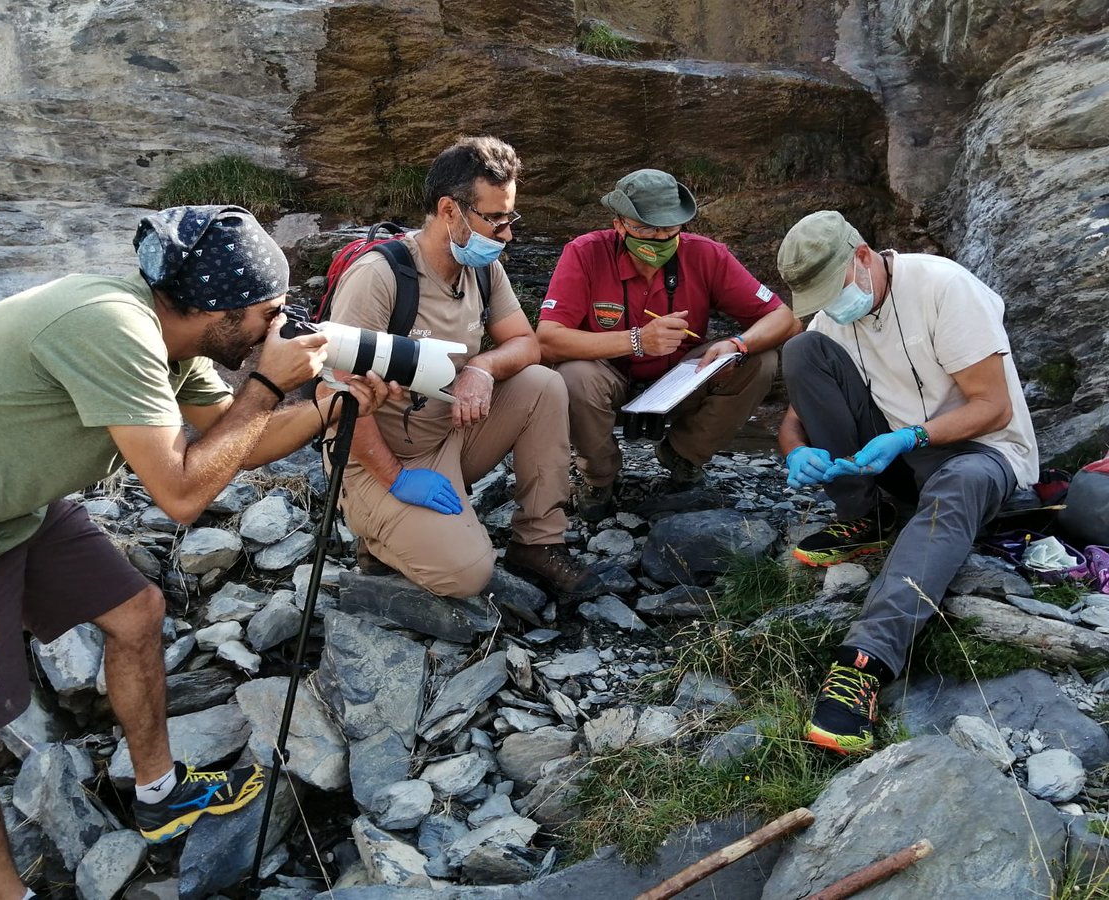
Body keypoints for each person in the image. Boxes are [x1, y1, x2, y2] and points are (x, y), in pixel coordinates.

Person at [0, 205, 393, 900]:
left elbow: (234, 444)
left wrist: (333, 407)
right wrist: (266, 383)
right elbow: (183, 495)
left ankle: (159, 793)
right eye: (271, 312)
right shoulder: (114, 328)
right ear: (222, 310)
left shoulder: (177, 341)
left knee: (136, 613)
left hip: (12, 507)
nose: (280, 328)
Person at [775, 210, 1039, 754]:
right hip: (901, 455)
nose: (833, 305)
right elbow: (793, 418)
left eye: (836, 288)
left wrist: (910, 438)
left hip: (981, 452)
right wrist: (796, 452)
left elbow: (993, 407)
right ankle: (867, 517)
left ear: (864, 255)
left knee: (958, 482)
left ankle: (864, 664)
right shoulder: (835, 317)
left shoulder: (943, 286)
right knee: (800, 351)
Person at [327, 135, 601, 602]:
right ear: (450, 210)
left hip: (451, 431)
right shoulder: (379, 277)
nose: (507, 233)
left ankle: (537, 542)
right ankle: (375, 536)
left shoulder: (482, 267)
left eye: (509, 216)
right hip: (377, 462)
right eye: (494, 219)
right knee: (468, 576)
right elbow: (337, 397)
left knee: (542, 385)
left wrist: (482, 368)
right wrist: (396, 478)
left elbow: (526, 344)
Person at [536, 168, 799, 520]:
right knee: (573, 375)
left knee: (759, 359)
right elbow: (548, 339)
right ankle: (599, 476)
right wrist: (637, 340)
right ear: (619, 224)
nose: (659, 238)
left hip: (678, 383)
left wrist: (738, 342)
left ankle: (683, 455)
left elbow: (785, 319)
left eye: (669, 227)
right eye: (645, 228)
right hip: (608, 379)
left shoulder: (707, 255)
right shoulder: (584, 253)